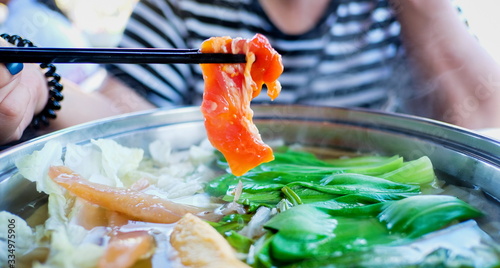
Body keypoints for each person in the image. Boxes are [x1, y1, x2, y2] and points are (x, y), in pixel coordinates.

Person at [1, 0, 500, 146]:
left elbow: (483, 120)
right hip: (212, 190)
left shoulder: (397, 9)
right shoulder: (183, 5)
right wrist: (42, 84)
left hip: (360, 182)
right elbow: (124, 120)